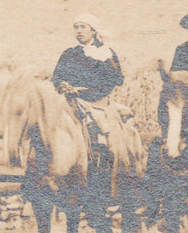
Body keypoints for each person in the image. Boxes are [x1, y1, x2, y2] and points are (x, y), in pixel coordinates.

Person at [52, 13, 142, 176]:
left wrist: (83, 92)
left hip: (96, 103)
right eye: (76, 27)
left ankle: (101, 169)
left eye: (83, 27)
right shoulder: (69, 53)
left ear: (93, 30)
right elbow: (57, 77)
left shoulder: (105, 52)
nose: (79, 31)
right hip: (69, 102)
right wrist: (62, 85)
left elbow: (110, 83)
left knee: (103, 137)